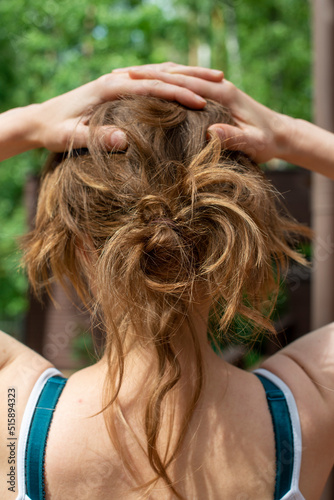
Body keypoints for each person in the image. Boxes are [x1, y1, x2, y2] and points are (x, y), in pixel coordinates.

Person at [0, 63, 332, 500]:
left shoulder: (17, 417)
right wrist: (290, 135)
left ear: (79, 240)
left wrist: (31, 121)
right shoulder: (305, 408)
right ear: (230, 241)